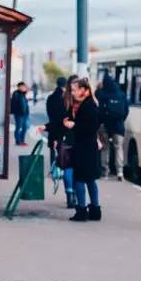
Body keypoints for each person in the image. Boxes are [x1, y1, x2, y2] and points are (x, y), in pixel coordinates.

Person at [65, 78, 101, 222]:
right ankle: (95, 210)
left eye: (74, 90)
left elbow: (90, 127)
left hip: (84, 147)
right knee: (90, 179)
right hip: (88, 147)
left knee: (79, 179)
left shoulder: (88, 106)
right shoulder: (89, 103)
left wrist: (73, 125)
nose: (72, 93)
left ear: (83, 90)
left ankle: (81, 210)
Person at [46, 75, 77, 208]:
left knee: (67, 166)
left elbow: (54, 118)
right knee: (75, 168)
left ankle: (70, 194)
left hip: (61, 135)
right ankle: (75, 195)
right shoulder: (75, 101)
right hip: (75, 137)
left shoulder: (54, 98)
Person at [96, 73, 129, 180]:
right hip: (118, 126)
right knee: (118, 148)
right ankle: (120, 172)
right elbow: (126, 110)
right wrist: (120, 120)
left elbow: (99, 110)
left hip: (105, 125)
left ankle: (105, 172)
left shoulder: (102, 94)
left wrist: (101, 122)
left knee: (105, 148)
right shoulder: (121, 94)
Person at [10, 81, 30, 146]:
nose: (24, 88)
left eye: (24, 86)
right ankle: (18, 141)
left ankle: (22, 140)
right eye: (23, 86)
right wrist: (15, 112)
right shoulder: (16, 94)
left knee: (25, 127)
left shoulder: (23, 94)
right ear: (19, 87)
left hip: (25, 114)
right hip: (19, 114)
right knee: (18, 127)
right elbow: (14, 104)